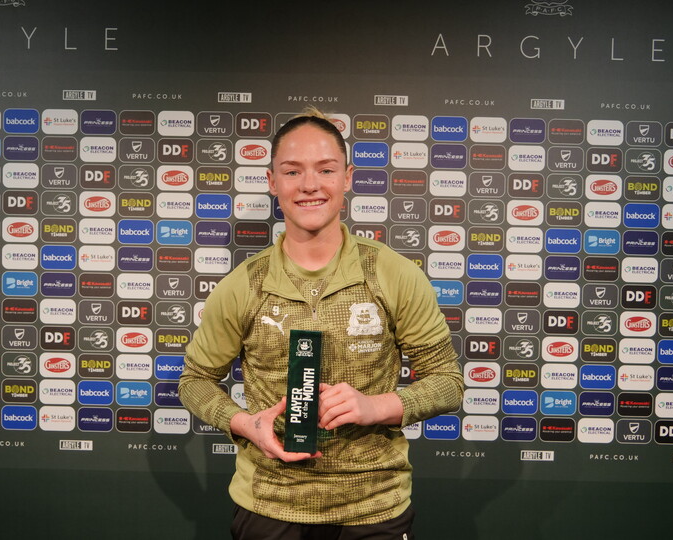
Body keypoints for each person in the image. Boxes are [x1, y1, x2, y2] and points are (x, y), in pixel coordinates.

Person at [178, 107, 462, 539]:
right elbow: (194, 381)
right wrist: (245, 424)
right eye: (292, 172)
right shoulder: (242, 285)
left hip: (375, 508)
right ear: (273, 182)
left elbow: (449, 382)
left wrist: (375, 407)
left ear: (347, 177)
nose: (309, 185)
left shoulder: (393, 274)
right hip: (268, 506)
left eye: (325, 169)